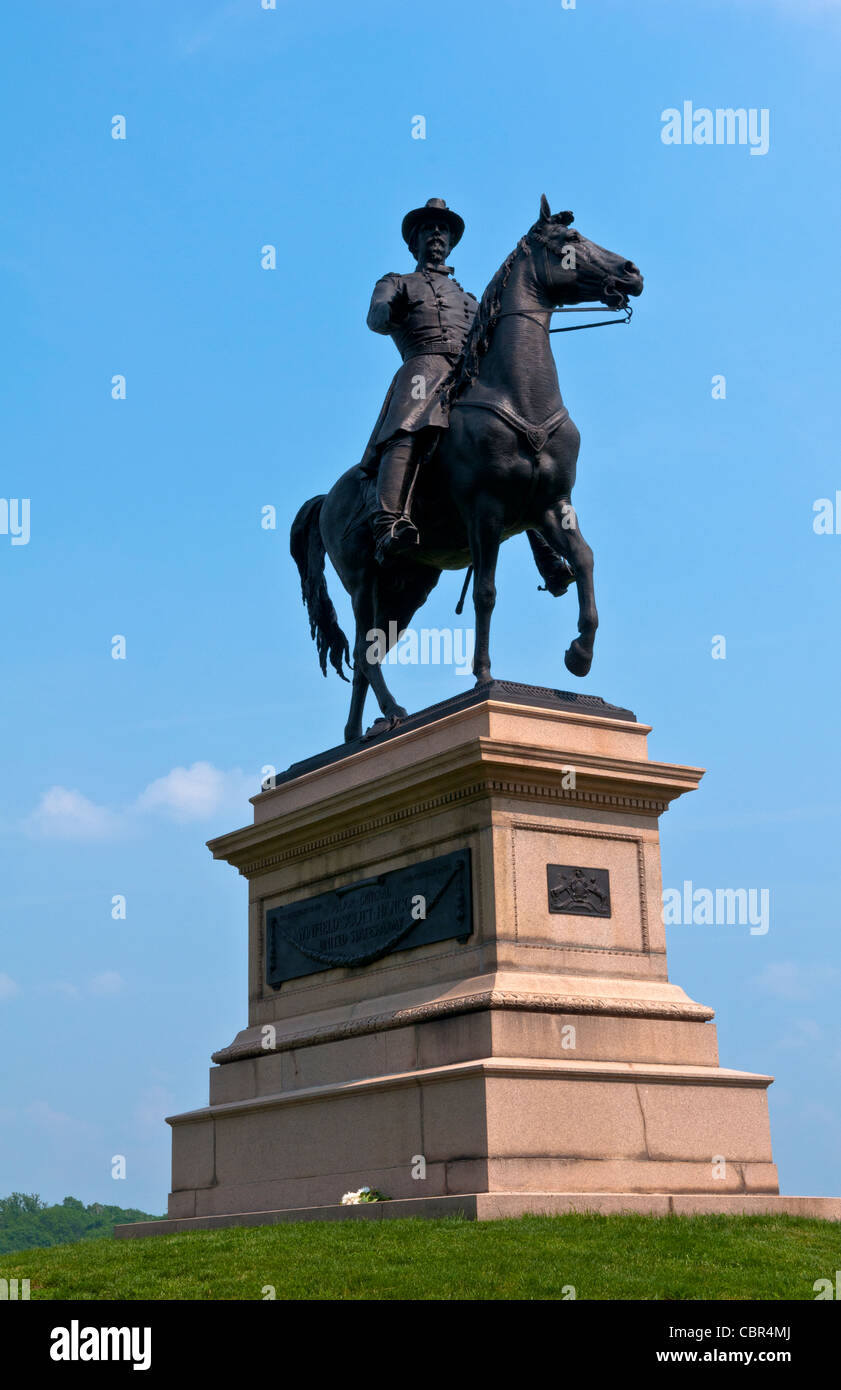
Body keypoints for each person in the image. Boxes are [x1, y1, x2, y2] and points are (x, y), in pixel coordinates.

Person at [360, 198, 478, 564]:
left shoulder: (470, 300)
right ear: (414, 241)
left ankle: (547, 555)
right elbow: (376, 318)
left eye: (443, 229)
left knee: (515, 436)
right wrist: (386, 310)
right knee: (407, 428)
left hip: (469, 376)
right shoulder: (396, 282)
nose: (438, 234)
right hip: (422, 368)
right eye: (429, 228)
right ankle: (388, 523)